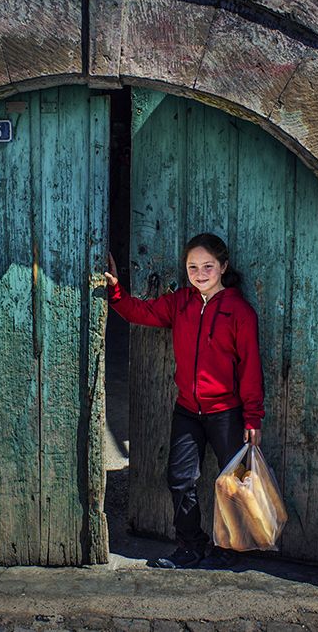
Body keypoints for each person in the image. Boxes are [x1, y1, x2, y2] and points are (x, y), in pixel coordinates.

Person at [104, 233, 264, 569]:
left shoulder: (240, 312)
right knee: (179, 479)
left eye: (208, 266)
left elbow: (251, 367)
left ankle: (230, 549)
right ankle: (191, 546)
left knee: (233, 483)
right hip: (188, 411)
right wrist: (115, 290)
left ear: (223, 267)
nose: (200, 273)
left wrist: (252, 418)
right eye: (193, 267)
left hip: (227, 413)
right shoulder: (180, 303)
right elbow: (138, 312)